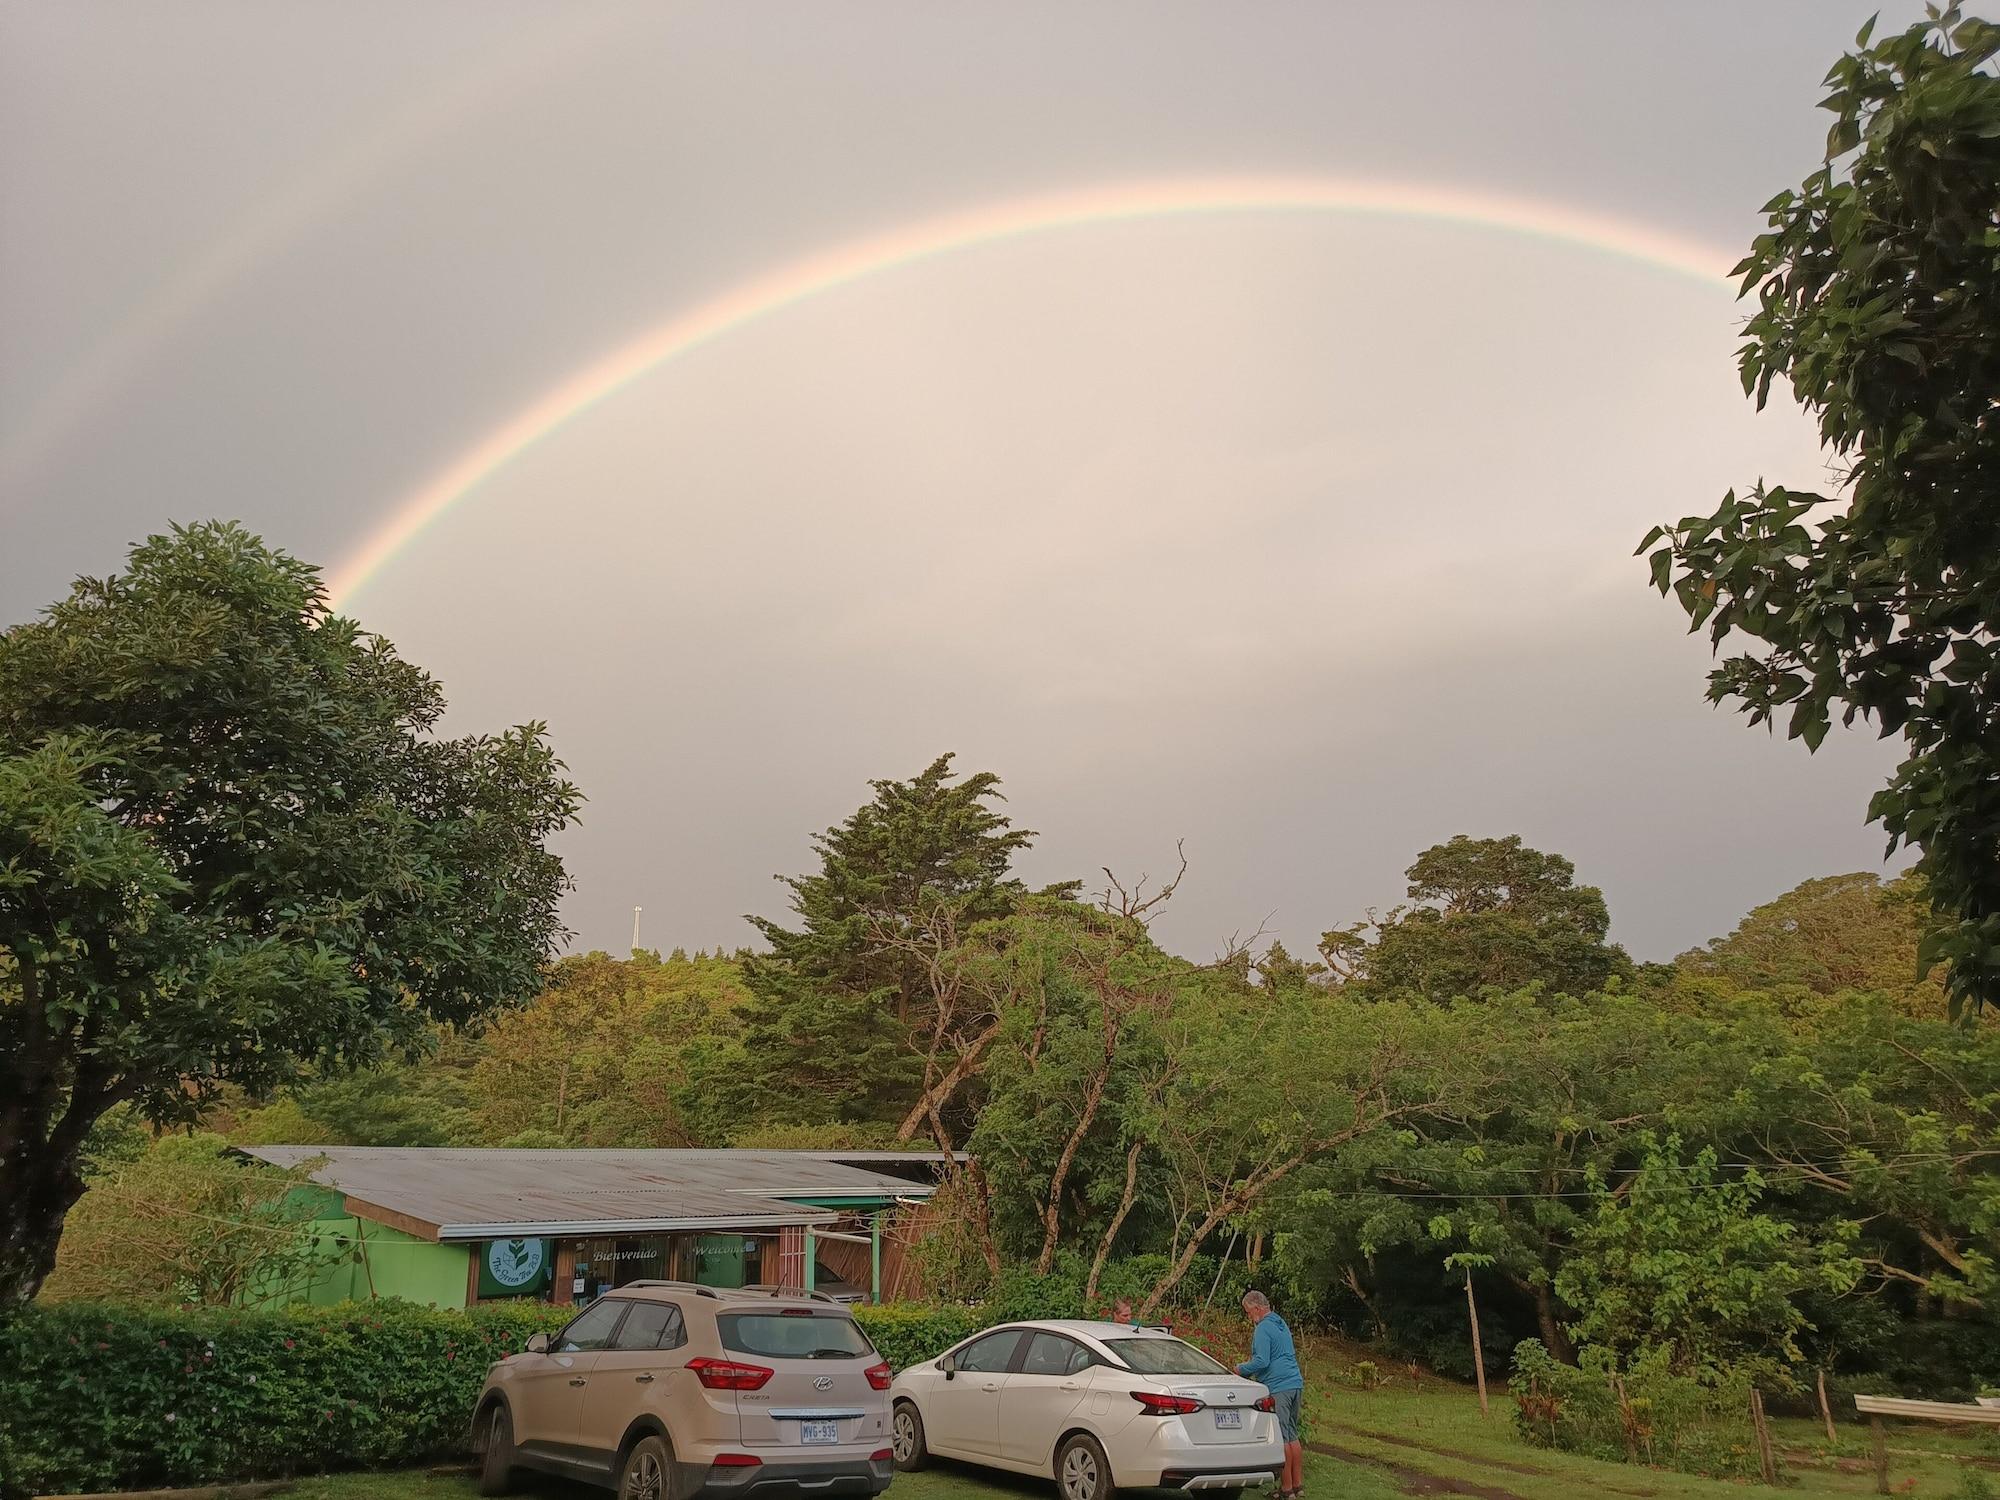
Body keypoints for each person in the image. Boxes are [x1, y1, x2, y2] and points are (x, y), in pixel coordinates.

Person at [1236, 1289, 1304, 1500]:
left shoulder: (1263, 1328)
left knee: (1282, 1436)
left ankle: (1286, 1489)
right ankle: (1297, 1486)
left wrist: (1239, 1369)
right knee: (1292, 1434)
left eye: (1248, 1312)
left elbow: (1262, 1361)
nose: (1249, 1317)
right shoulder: (1279, 1323)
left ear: (1257, 1308)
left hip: (1279, 1386)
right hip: (1295, 1383)